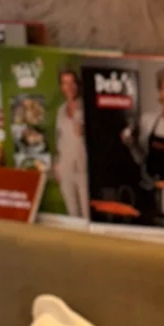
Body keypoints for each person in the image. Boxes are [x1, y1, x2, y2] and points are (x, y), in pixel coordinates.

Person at [53, 65, 89, 221]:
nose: (69, 87)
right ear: (61, 87)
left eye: (72, 82)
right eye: (65, 83)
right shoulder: (61, 110)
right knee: (73, 214)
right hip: (65, 168)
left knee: (87, 214)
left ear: (78, 85)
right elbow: (59, 138)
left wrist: (86, 131)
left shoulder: (87, 107)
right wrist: (57, 163)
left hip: (84, 169)